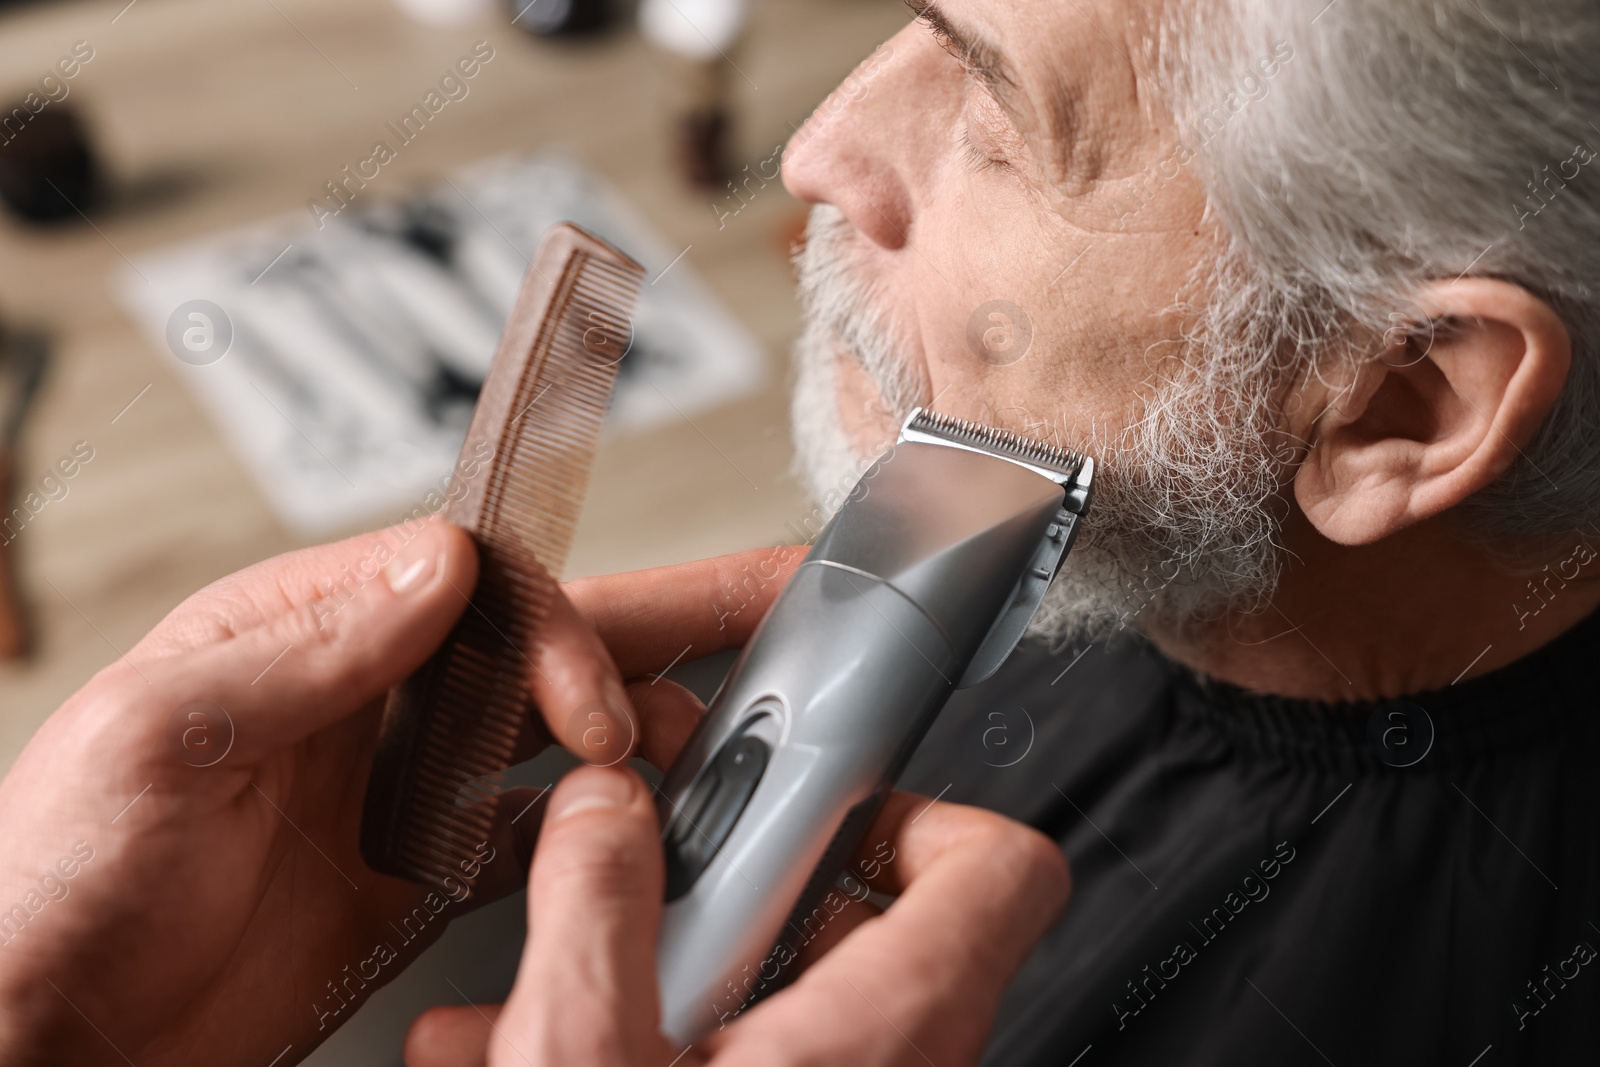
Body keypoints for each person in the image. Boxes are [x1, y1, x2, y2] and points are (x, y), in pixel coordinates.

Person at [4, 0, 1600, 1062]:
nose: (820, 146)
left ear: (1402, 400)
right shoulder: (1032, 527)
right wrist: (49, 1010)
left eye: (996, 112)